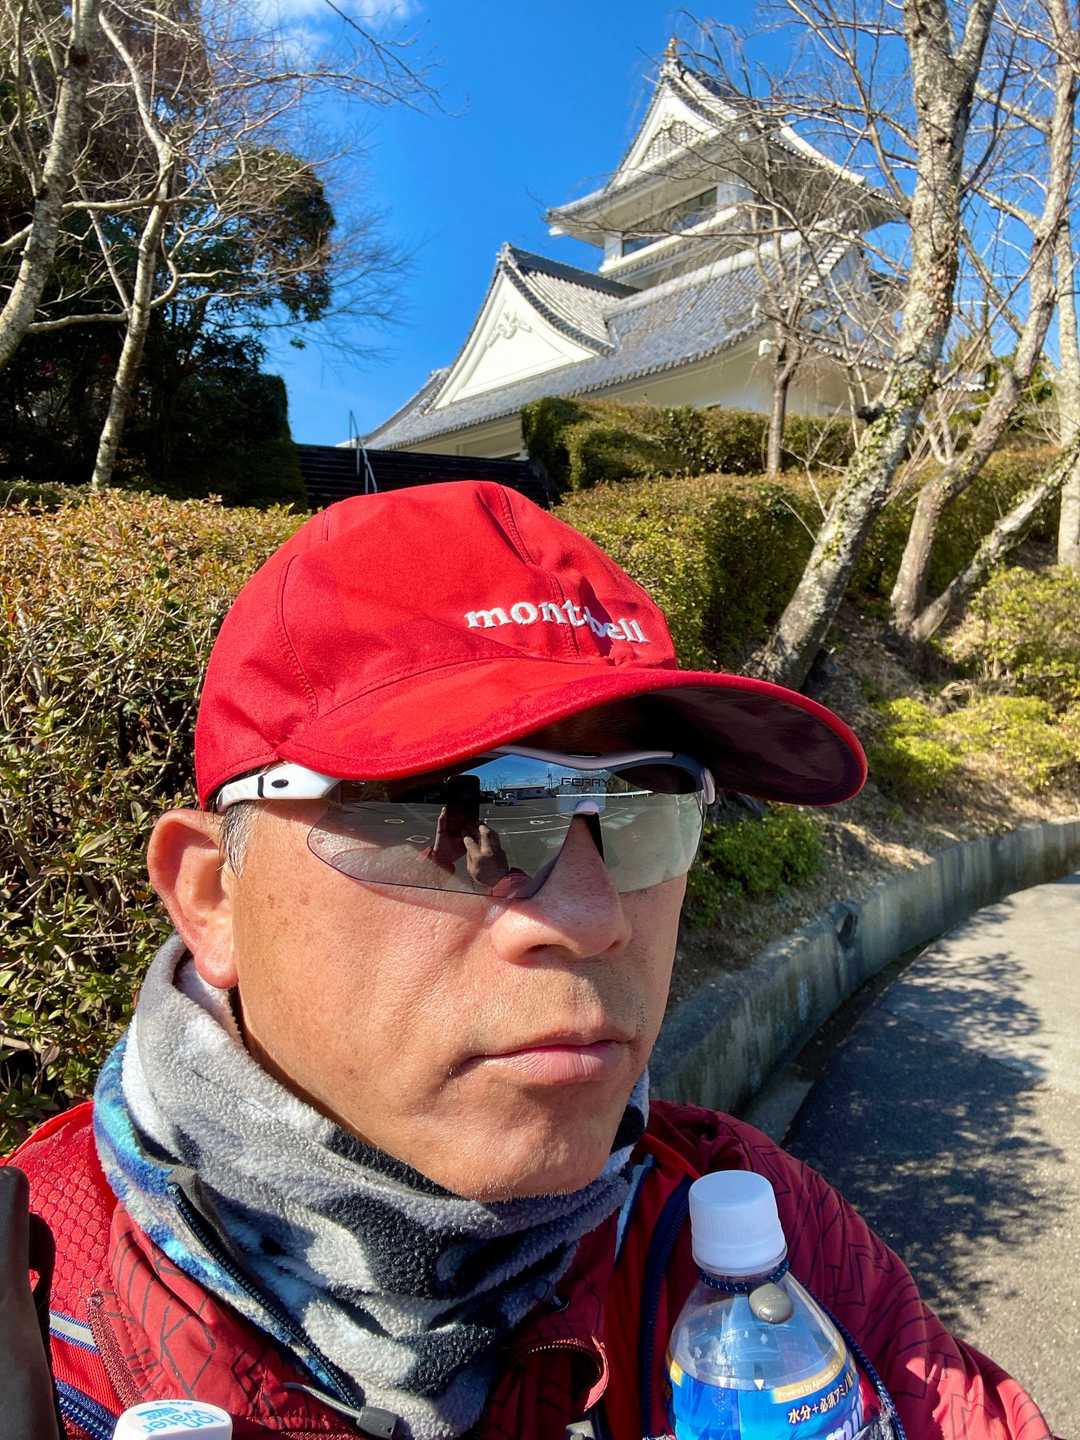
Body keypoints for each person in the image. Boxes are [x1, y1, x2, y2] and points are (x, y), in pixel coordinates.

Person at [6, 482, 1052, 1440]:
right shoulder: (37, 1304)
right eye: (452, 814)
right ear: (212, 897)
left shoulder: (746, 1220)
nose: (592, 919)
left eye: (643, 811)